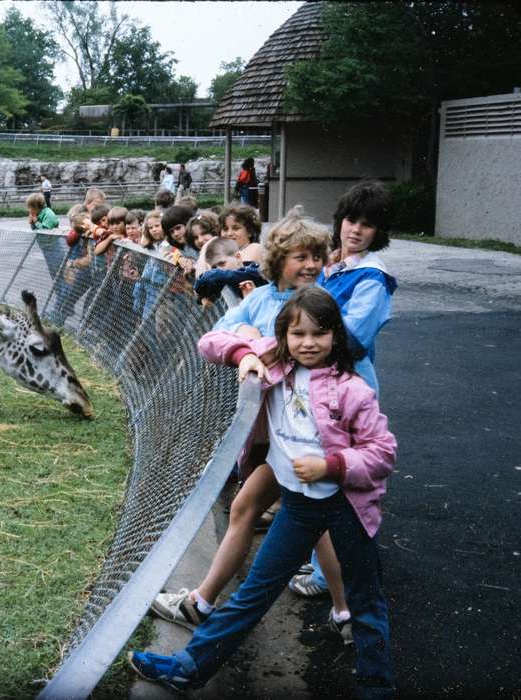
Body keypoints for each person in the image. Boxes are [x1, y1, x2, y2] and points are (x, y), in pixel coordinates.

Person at [129, 287, 396, 698]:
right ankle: (188, 667)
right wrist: (245, 355)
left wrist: (331, 466)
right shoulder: (277, 366)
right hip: (298, 507)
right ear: (284, 336)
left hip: (347, 509)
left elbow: (382, 453)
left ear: (335, 337)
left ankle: (376, 685)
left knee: (365, 601)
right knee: (253, 593)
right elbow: (210, 342)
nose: (308, 343)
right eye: (298, 334)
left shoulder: (352, 388)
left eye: (320, 334)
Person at [148, 207, 331, 637]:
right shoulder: (261, 300)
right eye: (300, 256)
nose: (310, 265)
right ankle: (348, 613)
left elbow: (328, 353)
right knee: (278, 513)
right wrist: (241, 349)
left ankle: (204, 604)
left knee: (301, 519)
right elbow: (210, 339)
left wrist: (259, 343)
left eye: (316, 257)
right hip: (275, 438)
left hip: (310, 438)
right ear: (278, 259)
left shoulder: (323, 303)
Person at [288, 181, 398, 620]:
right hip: (324, 379)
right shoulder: (335, 267)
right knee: (324, 472)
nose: (355, 230)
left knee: (345, 479)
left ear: (378, 232)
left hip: (349, 384)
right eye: (351, 220)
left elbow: (352, 339)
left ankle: (336, 576)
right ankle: (325, 565)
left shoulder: (372, 277)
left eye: (367, 225)